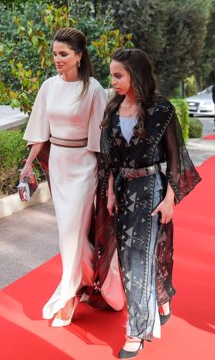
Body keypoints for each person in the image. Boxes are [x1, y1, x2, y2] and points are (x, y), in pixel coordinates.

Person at [89, 48, 201, 358]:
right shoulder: (113, 109)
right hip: (124, 189)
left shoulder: (161, 110)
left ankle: (136, 332)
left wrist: (170, 200)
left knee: (138, 260)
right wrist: (110, 192)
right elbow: (108, 159)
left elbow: (177, 158)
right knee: (132, 260)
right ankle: (161, 297)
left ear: (136, 75)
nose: (112, 81)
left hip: (151, 188)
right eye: (112, 74)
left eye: (118, 75)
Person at [21, 28, 124, 327]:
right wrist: (28, 166)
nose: (57, 59)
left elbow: (102, 140)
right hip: (59, 166)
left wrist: (109, 182)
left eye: (63, 54)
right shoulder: (48, 87)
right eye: (54, 54)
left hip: (85, 167)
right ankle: (99, 282)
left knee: (71, 234)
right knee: (71, 236)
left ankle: (67, 295)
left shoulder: (93, 89)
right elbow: (40, 131)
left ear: (79, 56)